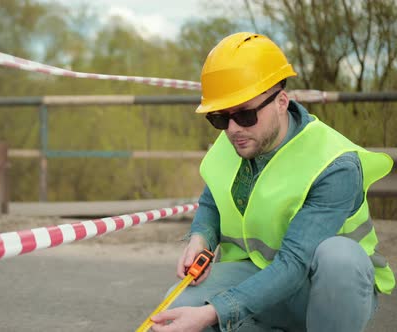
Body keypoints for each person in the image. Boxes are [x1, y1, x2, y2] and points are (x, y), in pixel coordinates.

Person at [149, 32, 394, 332]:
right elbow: (214, 197)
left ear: (281, 101)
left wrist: (214, 312)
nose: (232, 129)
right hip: (259, 277)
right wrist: (201, 237)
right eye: (219, 118)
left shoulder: (336, 165)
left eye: (245, 115)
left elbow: (293, 263)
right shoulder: (238, 137)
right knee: (175, 312)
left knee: (340, 258)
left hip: (321, 293)